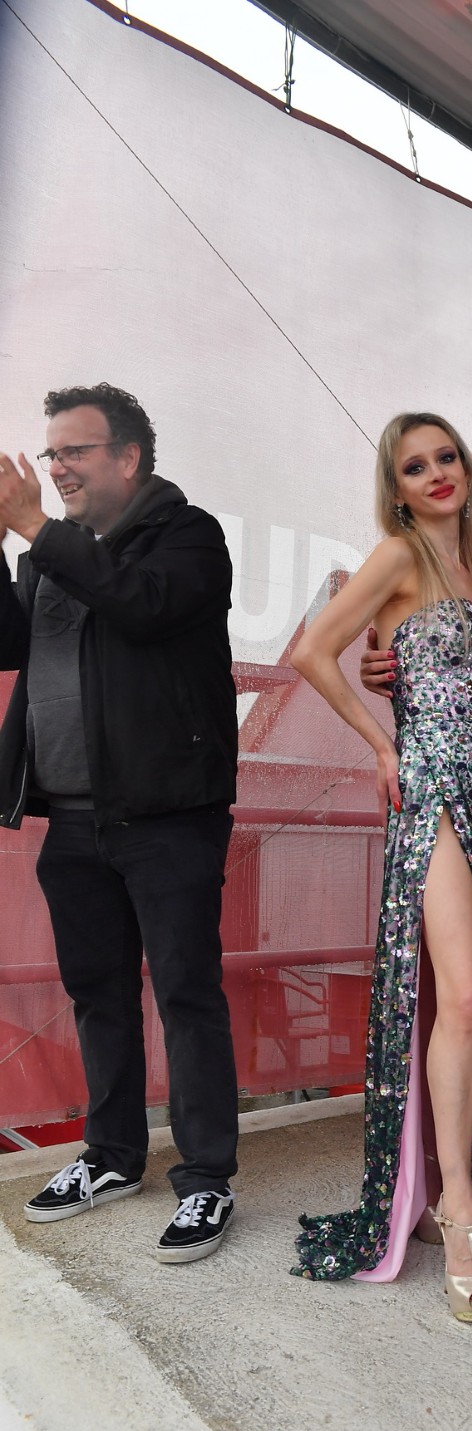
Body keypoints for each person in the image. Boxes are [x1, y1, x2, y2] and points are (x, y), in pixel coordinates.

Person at [0, 384, 239, 1261]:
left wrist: (35, 528)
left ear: (128, 457)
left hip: (167, 814)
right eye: (50, 452)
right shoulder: (48, 555)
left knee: (185, 993)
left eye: (74, 451)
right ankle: (111, 1156)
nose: (56, 467)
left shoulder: (188, 536)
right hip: (72, 818)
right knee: (97, 993)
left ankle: (207, 1177)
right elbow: (8, 646)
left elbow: (141, 604)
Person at [289, 413, 472, 1324]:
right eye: (416, 467)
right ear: (399, 489)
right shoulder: (397, 556)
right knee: (466, 998)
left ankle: (451, 1189)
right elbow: (311, 651)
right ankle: (459, 1210)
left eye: (447, 457)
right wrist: (383, 746)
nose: (437, 474)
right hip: (432, 790)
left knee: (470, 1000)